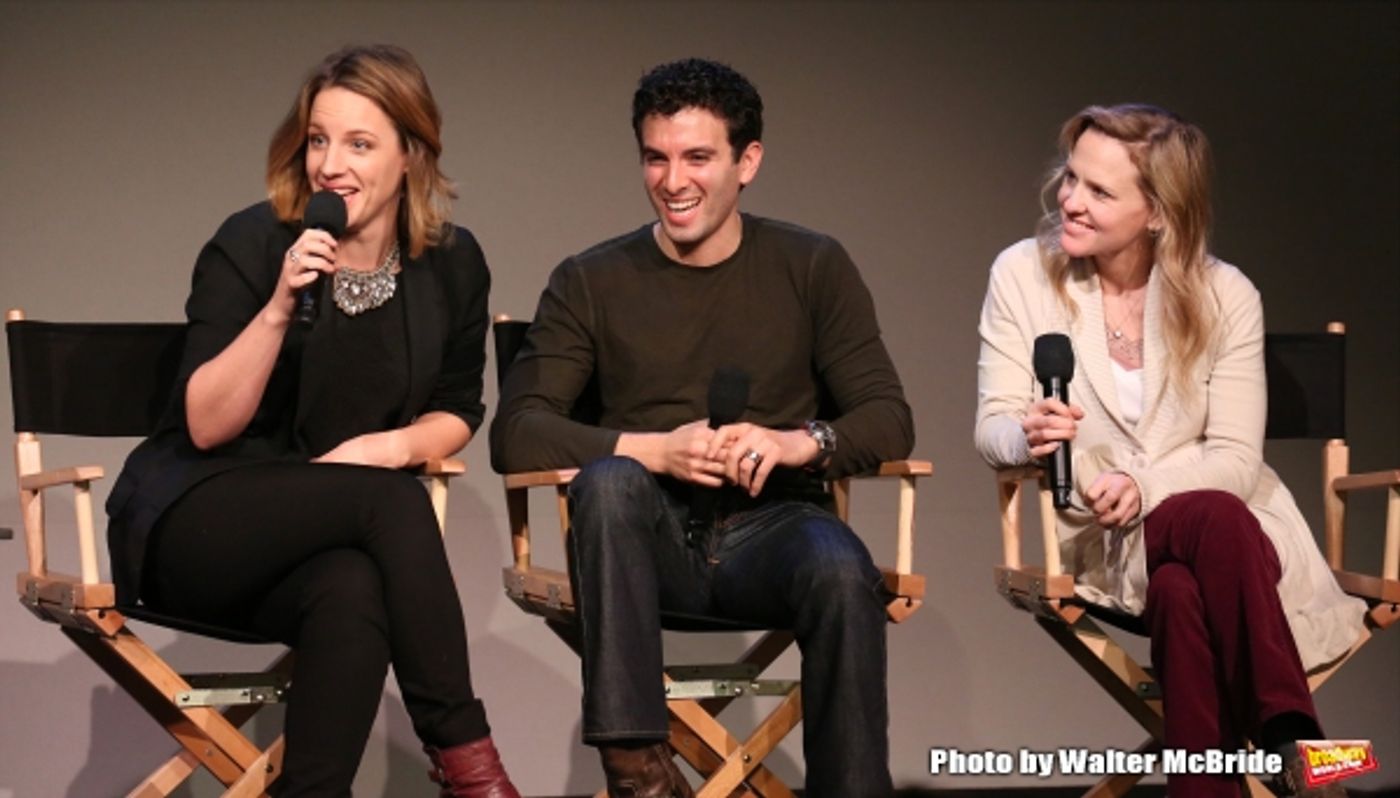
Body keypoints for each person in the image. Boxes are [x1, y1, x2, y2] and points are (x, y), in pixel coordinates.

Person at [105, 45, 519, 798]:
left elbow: (458, 410)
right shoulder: (254, 242)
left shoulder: (452, 264)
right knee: (389, 500)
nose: (331, 164)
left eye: (360, 143)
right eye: (320, 140)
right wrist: (277, 307)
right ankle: (470, 764)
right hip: (198, 518)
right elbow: (202, 425)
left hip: (325, 531)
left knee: (353, 588)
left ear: (411, 155)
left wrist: (385, 446)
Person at [491, 58, 912, 797]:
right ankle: (638, 774)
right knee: (612, 483)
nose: (673, 180)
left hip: (773, 526)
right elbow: (516, 434)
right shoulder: (591, 280)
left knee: (843, 568)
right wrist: (657, 450)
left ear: (747, 161)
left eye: (697, 157)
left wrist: (795, 441)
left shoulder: (811, 265)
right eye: (655, 157)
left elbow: (887, 417)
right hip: (643, 545)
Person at [974, 103, 1365, 798]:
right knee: (1192, 556)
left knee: (1185, 585)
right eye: (1071, 178)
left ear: (1157, 211)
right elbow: (992, 428)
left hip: (1238, 533)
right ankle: (1293, 737)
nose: (1070, 200)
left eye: (1099, 191)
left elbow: (1237, 461)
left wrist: (1145, 484)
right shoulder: (1022, 274)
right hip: (1102, 530)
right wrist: (1028, 433)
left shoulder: (1227, 295)